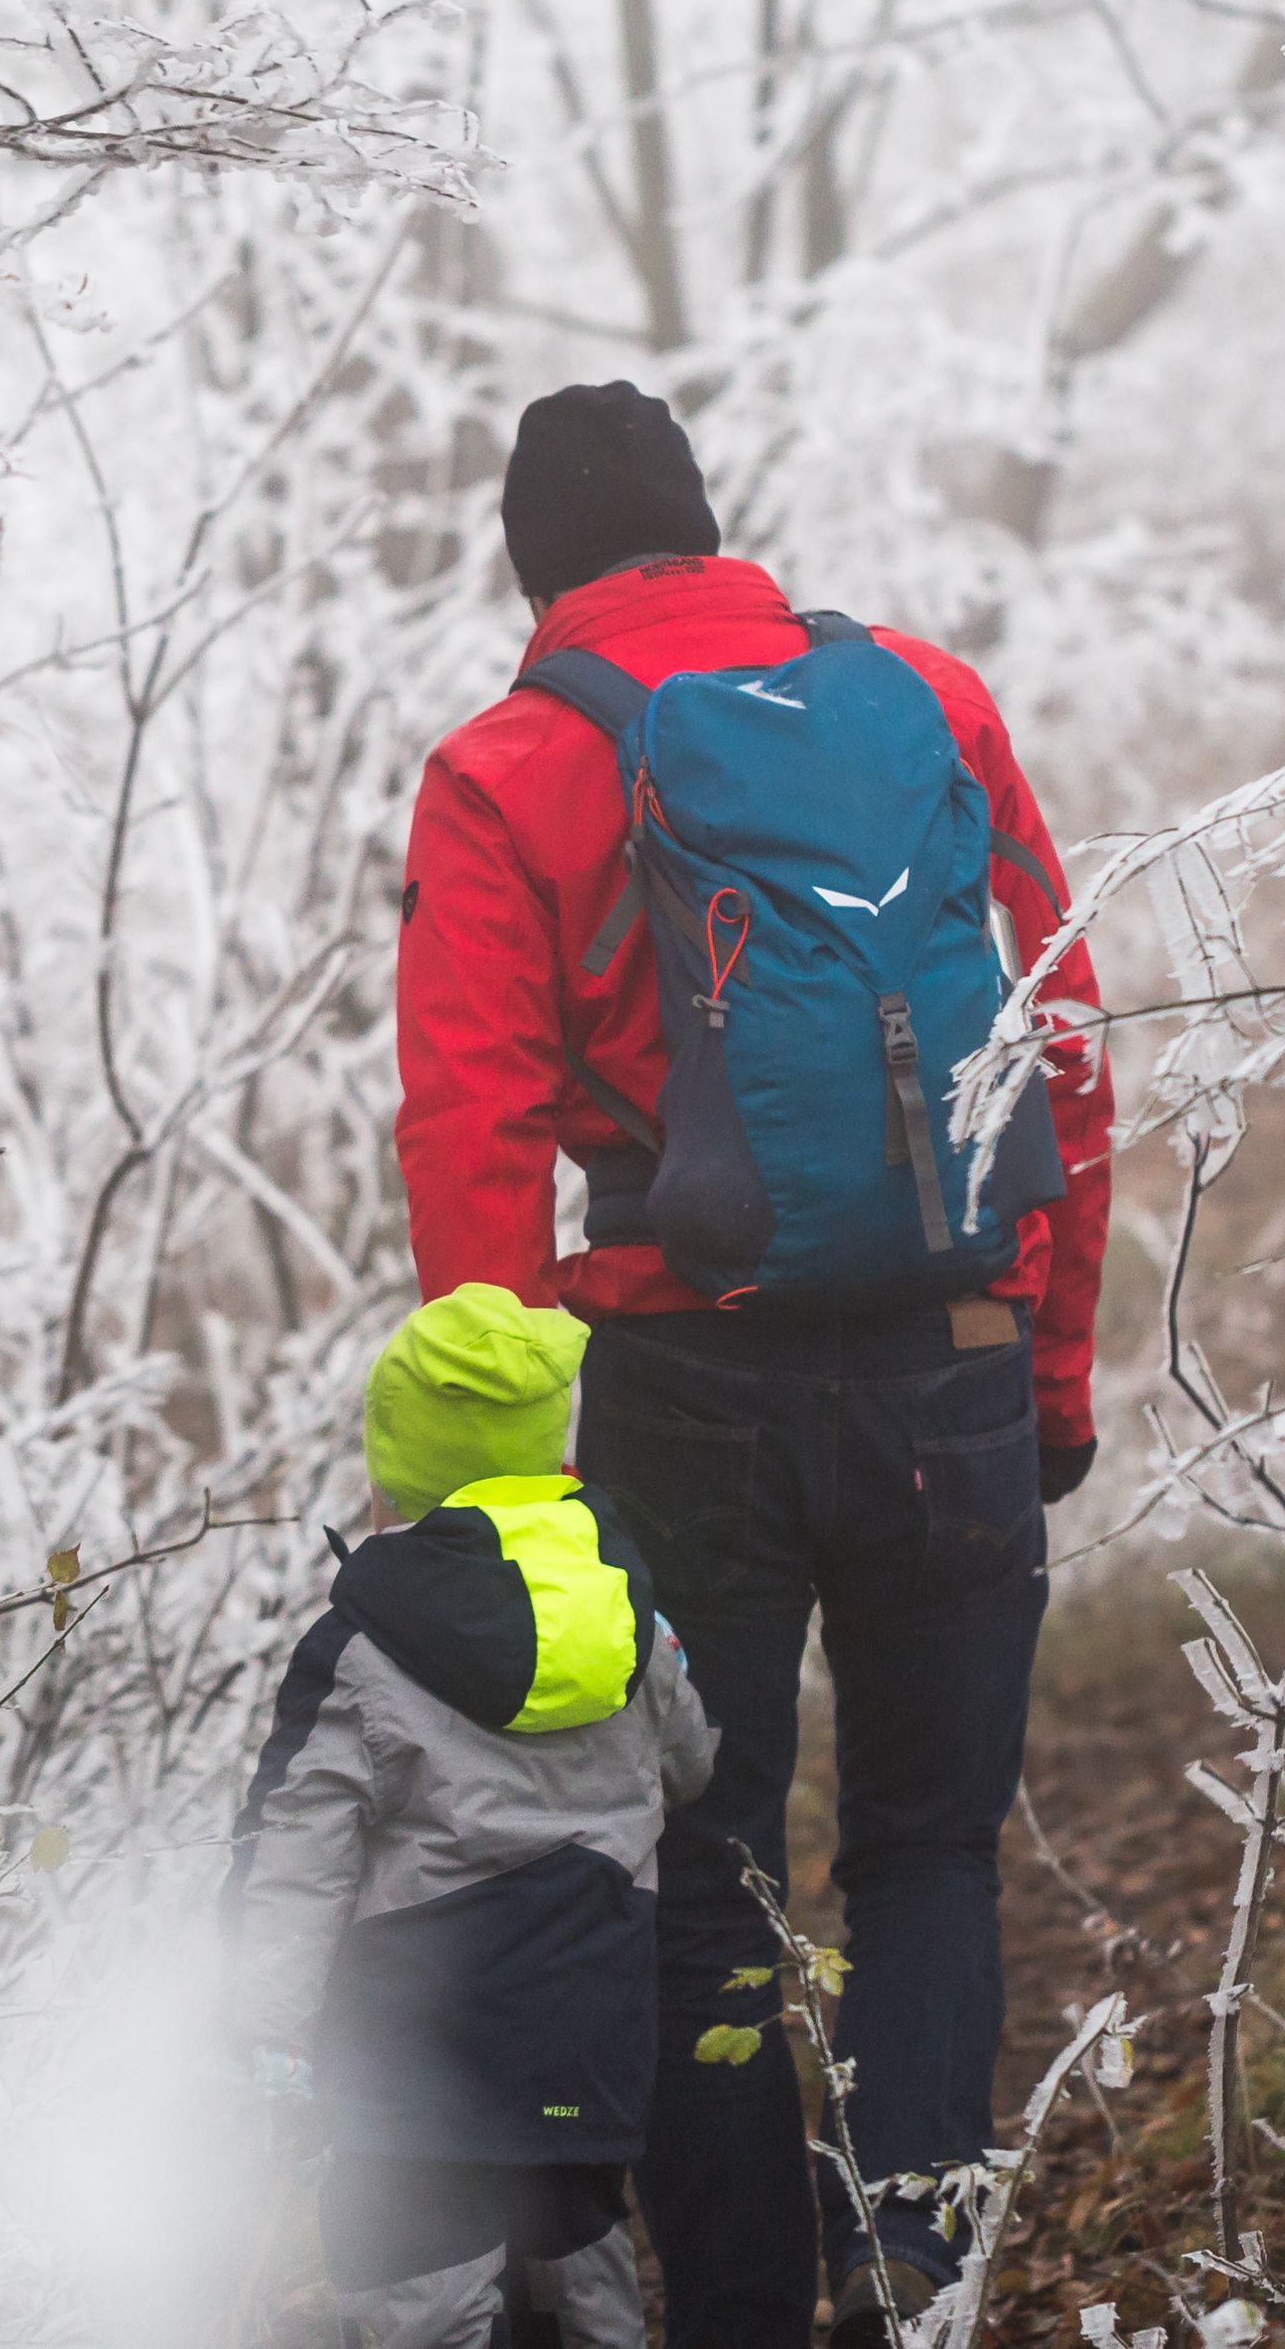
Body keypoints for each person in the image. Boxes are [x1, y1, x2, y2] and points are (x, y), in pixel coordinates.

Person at [394, 381, 1113, 2345]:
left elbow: (469, 1138)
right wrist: (1043, 1361)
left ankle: (738, 2316)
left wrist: (490, 1500)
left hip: (672, 1390)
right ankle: (916, 2275)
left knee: (702, 1878)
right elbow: (1056, 1037)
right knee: (928, 1851)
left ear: (531, 575)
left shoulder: (503, 766)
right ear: (711, 531)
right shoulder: (928, 704)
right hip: (948, 1364)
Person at [229, 1282, 719, 2348]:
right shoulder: (622, 1603)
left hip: (419, 2045)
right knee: (586, 2278)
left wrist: (262, 2032)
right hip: (588, 2024)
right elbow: (693, 1760)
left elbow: (293, 1858)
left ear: (396, 1458)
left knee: (419, 2293)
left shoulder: (361, 1642)